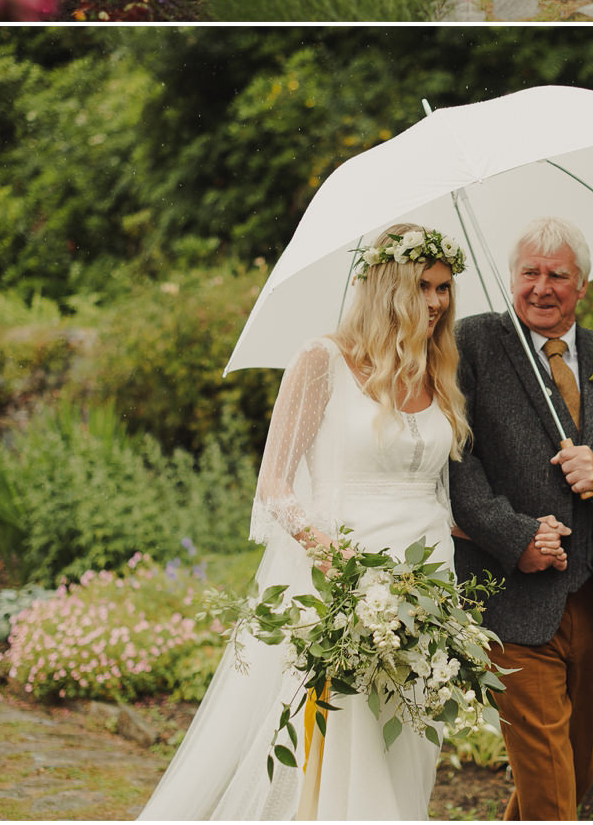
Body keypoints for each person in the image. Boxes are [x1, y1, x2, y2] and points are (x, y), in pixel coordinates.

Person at [140, 224, 470, 820]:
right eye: (423, 286)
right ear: (386, 287)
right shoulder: (324, 360)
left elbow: (436, 488)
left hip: (427, 590)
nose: (438, 302)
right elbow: (275, 488)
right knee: (344, 742)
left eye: (444, 287)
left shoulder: (439, 371)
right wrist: (339, 563)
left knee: (410, 742)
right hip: (347, 584)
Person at [449, 216, 593, 821]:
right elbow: (456, 458)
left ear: (583, 284)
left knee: (572, 770)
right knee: (550, 782)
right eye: (529, 273)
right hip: (512, 594)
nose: (541, 288)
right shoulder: (473, 343)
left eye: (558, 275)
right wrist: (514, 537)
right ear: (511, 276)